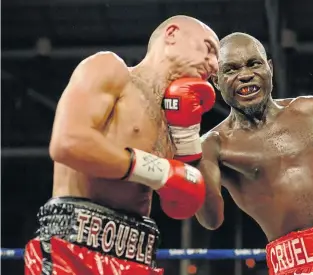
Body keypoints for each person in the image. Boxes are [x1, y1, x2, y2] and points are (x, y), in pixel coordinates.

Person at [24, 15, 219, 275]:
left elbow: (196, 210)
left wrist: (188, 139)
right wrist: (159, 170)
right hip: (74, 247)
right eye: (208, 48)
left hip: (137, 254)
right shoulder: (109, 69)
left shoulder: (174, 121)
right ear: (171, 35)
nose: (215, 65)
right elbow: (67, 143)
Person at [196, 32, 313, 275]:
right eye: (231, 69)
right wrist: (190, 159)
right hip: (295, 261)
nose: (245, 75)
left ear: (270, 68)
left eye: (253, 63)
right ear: (216, 81)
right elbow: (211, 220)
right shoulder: (213, 145)